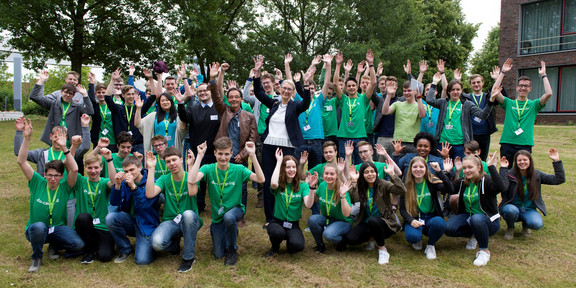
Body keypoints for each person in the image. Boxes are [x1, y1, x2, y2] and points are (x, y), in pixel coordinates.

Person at [252, 54, 313, 226]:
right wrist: (257, 72)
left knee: (284, 180)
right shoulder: (273, 104)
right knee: (268, 180)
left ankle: (285, 214)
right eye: (284, 88)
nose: (286, 91)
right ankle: (270, 218)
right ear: (280, 89)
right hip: (269, 146)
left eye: (289, 89)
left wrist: (306, 84)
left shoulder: (295, 106)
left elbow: (306, 103)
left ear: (292, 92)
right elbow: (258, 92)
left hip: (287, 147)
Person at [17, 119, 84, 272]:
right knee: (39, 227)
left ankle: (55, 245)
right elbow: (21, 161)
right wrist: (26, 138)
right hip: (36, 228)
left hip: (56, 228)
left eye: (57, 175)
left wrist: (66, 147)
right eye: (50, 175)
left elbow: (73, 169)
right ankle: (36, 256)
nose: (53, 178)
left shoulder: (65, 187)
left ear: (62, 176)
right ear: (45, 174)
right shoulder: (37, 182)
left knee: (78, 244)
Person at [188, 137, 265, 265]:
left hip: (236, 210)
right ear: (215, 153)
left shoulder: (239, 169)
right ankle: (228, 230)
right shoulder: (208, 168)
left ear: (231, 153)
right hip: (218, 216)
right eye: (220, 154)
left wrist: (252, 155)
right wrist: (200, 156)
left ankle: (232, 250)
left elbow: (261, 179)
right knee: (218, 254)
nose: (223, 157)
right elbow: (191, 180)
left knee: (229, 218)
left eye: (226, 154)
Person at [208, 62, 258, 212]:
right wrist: (212, 80)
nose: (234, 99)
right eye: (231, 97)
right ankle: (221, 210)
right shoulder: (223, 111)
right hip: (224, 155)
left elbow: (252, 138)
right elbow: (216, 96)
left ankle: (239, 213)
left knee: (241, 187)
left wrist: (242, 155)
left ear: (241, 99)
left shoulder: (249, 117)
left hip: (239, 157)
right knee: (221, 185)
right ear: (228, 99)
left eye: (237, 96)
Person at [146, 148, 202, 272]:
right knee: (156, 243)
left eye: (174, 160)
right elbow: (150, 194)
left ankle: (188, 258)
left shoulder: (191, 177)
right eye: (168, 161)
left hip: (190, 220)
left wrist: (191, 166)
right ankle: (174, 246)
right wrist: (151, 168)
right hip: (171, 220)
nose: (171, 164)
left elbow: (192, 192)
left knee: (187, 215)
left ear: (181, 159)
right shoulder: (164, 179)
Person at [444, 152, 505, 266]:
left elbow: (500, 187)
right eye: (465, 168)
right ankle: (474, 234)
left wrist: (491, 167)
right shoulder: (463, 181)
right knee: (448, 228)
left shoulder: (486, 180)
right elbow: (448, 189)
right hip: (469, 217)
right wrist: (446, 172)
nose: (467, 171)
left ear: (479, 167)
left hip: (489, 221)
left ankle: (484, 252)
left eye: (470, 167)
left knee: (476, 219)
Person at [491, 60, 553, 161]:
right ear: (517, 88)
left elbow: (549, 93)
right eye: (521, 85)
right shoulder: (509, 103)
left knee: (523, 174)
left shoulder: (534, 105)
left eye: (526, 86)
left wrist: (544, 75)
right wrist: (502, 73)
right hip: (507, 142)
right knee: (505, 172)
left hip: (525, 144)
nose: (523, 88)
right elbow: (495, 91)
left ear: (530, 89)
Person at [426, 72, 498, 160]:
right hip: (444, 144)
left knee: (459, 169)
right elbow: (429, 100)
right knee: (443, 168)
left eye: (458, 89)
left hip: (460, 144)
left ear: (461, 90)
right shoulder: (443, 102)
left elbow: (482, 115)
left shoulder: (467, 104)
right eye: (452, 90)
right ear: (449, 91)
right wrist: (434, 83)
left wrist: (491, 101)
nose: (455, 92)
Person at [344, 161, 406, 264]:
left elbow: (402, 191)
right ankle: (372, 238)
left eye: (372, 171)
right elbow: (354, 199)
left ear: (376, 173)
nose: (370, 174)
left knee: (374, 221)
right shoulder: (362, 186)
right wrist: (354, 181)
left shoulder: (383, 184)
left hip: (384, 222)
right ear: (362, 175)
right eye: (366, 172)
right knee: (351, 239)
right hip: (367, 221)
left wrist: (392, 174)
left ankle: (382, 249)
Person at [105, 156, 160, 265]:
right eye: (125, 171)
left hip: (146, 224)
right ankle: (125, 249)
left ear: (140, 167)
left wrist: (133, 187)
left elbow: (144, 204)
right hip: (129, 220)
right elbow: (114, 203)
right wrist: (118, 185)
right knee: (111, 218)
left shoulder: (151, 181)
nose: (129, 173)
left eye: (131, 170)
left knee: (142, 260)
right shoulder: (125, 182)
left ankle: (151, 243)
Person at [500, 149, 565, 240]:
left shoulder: (537, 174)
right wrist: (503, 169)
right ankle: (510, 228)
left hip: (529, 209)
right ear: (516, 162)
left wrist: (556, 161)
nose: (522, 162)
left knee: (536, 224)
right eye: (519, 160)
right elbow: (502, 187)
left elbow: (559, 179)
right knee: (510, 210)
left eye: (525, 160)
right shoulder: (510, 174)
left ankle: (526, 225)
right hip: (512, 207)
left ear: (530, 161)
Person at [177, 79, 221, 212]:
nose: (203, 93)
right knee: (198, 180)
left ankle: (218, 206)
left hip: (215, 152)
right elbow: (185, 118)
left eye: (205, 90)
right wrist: (180, 103)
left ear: (210, 92)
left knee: (216, 180)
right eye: (200, 91)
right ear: (196, 93)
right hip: (198, 152)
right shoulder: (193, 108)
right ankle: (199, 206)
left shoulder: (218, 108)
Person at [399, 157, 452, 260]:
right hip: (416, 217)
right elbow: (402, 209)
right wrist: (410, 220)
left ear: (426, 168)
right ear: (411, 169)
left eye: (421, 167)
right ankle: (417, 237)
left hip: (431, 217)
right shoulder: (406, 186)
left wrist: (439, 172)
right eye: (415, 167)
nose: (418, 169)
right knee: (413, 237)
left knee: (440, 223)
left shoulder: (432, 182)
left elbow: (450, 189)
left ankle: (430, 246)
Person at [265, 150, 313, 257]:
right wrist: (279, 162)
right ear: (283, 169)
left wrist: (311, 188)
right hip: (277, 222)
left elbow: (308, 205)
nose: (291, 170)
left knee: (298, 245)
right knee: (278, 233)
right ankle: (275, 247)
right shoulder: (279, 183)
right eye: (288, 167)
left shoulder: (303, 186)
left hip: (293, 224)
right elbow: (273, 183)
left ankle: (290, 242)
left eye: (294, 167)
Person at [332, 50, 377, 164]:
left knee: (360, 165)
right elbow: (336, 84)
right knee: (343, 164)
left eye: (353, 85)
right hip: (344, 136)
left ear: (357, 87)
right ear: (346, 88)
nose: (351, 87)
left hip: (359, 136)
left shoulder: (363, 99)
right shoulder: (343, 99)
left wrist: (371, 64)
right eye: (349, 86)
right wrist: (338, 65)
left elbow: (373, 83)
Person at [73, 151, 117, 264]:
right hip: (85, 225)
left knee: (105, 257)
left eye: (96, 167)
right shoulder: (80, 181)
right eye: (90, 168)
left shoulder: (104, 182)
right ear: (85, 168)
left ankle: (101, 245)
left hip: (101, 226)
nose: (93, 171)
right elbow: (70, 167)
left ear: (101, 167)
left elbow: (114, 182)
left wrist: (109, 160)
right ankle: (90, 251)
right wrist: (70, 148)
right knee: (83, 217)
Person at [30, 70, 94, 147]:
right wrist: (41, 81)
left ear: (73, 95)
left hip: (72, 141)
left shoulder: (77, 106)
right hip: (56, 140)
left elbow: (90, 111)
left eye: (70, 94)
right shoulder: (54, 103)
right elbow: (35, 97)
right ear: (61, 92)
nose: (67, 95)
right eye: (65, 92)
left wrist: (85, 95)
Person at [105, 68, 156, 156]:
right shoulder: (117, 109)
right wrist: (113, 80)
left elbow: (153, 96)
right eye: (128, 94)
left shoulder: (139, 108)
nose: (131, 96)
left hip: (138, 145)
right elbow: (107, 97)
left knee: (139, 168)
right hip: (123, 146)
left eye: (133, 94)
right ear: (123, 95)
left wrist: (151, 79)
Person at [307, 164, 353, 253]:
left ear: (337, 176)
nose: (328, 176)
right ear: (323, 174)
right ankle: (320, 245)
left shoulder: (342, 188)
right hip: (327, 218)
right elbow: (315, 199)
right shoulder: (323, 185)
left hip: (343, 221)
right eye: (326, 173)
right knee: (312, 219)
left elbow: (347, 214)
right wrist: (312, 186)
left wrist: (342, 196)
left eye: (332, 174)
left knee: (328, 235)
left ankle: (342, 241)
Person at [381, 79, 426, 157]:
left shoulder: (420, 105)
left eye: (409, 91)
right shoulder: (397, 104)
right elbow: (385, 112)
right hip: (397, 142)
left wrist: (419, 98)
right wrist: (388, 95)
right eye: (404, 91)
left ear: (415, 91)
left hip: (413, 142)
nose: (406, 93)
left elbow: (422, 115)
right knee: (396, 166)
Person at [88, 72, 117, 152]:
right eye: (99, 92)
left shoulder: (112, 106)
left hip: (112, 140)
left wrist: (113, 80)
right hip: (98, 140)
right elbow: (90, 98)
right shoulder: (95, 107)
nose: (101, 95)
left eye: (103, 92)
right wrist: (92, 83)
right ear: (95, 94)